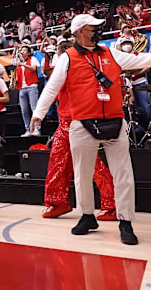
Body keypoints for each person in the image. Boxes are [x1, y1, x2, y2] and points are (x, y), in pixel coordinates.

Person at [30, 14, 151, 245]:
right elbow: (52, 88)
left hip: (115, 121)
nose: (98, 30)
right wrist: (38, 113)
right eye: (93, 27)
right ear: (81, 31)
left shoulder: (110, 52)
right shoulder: (68, 58)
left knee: (123, 174)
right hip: (82, 124)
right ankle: (87, 216)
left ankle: (125, 221)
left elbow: (143, 59)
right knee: (82, 175)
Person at [42, 35, 117, 221]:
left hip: (79, 121)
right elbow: (47, 74)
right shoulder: (62, 69)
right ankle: (58, 202)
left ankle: (113, 204)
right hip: (65, 122)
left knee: (93, 165)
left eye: (59, 54)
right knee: (57, 161)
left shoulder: (77, 68)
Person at [117, 36, 151, 129]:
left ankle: (148, 128)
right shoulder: (120, 57)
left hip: (140, 82)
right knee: (130, 108)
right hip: (125, 85)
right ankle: (135, 129)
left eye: (128, 43)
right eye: (124, 44)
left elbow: (147, 67)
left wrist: (135, 73)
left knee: (145, 107)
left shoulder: (138, 55)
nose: (126, 46)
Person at [15, 46, 41, 137]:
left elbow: (34, 68)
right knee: (24, 110)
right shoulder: (19, 62)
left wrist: (22, 65)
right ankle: (28, 130)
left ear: (29, 53)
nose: (22, 51)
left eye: (24, 50)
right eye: (21, 50)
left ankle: (37, 129)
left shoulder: (32, 59)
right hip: (22, 88)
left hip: (32, 86)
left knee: (34, 108)